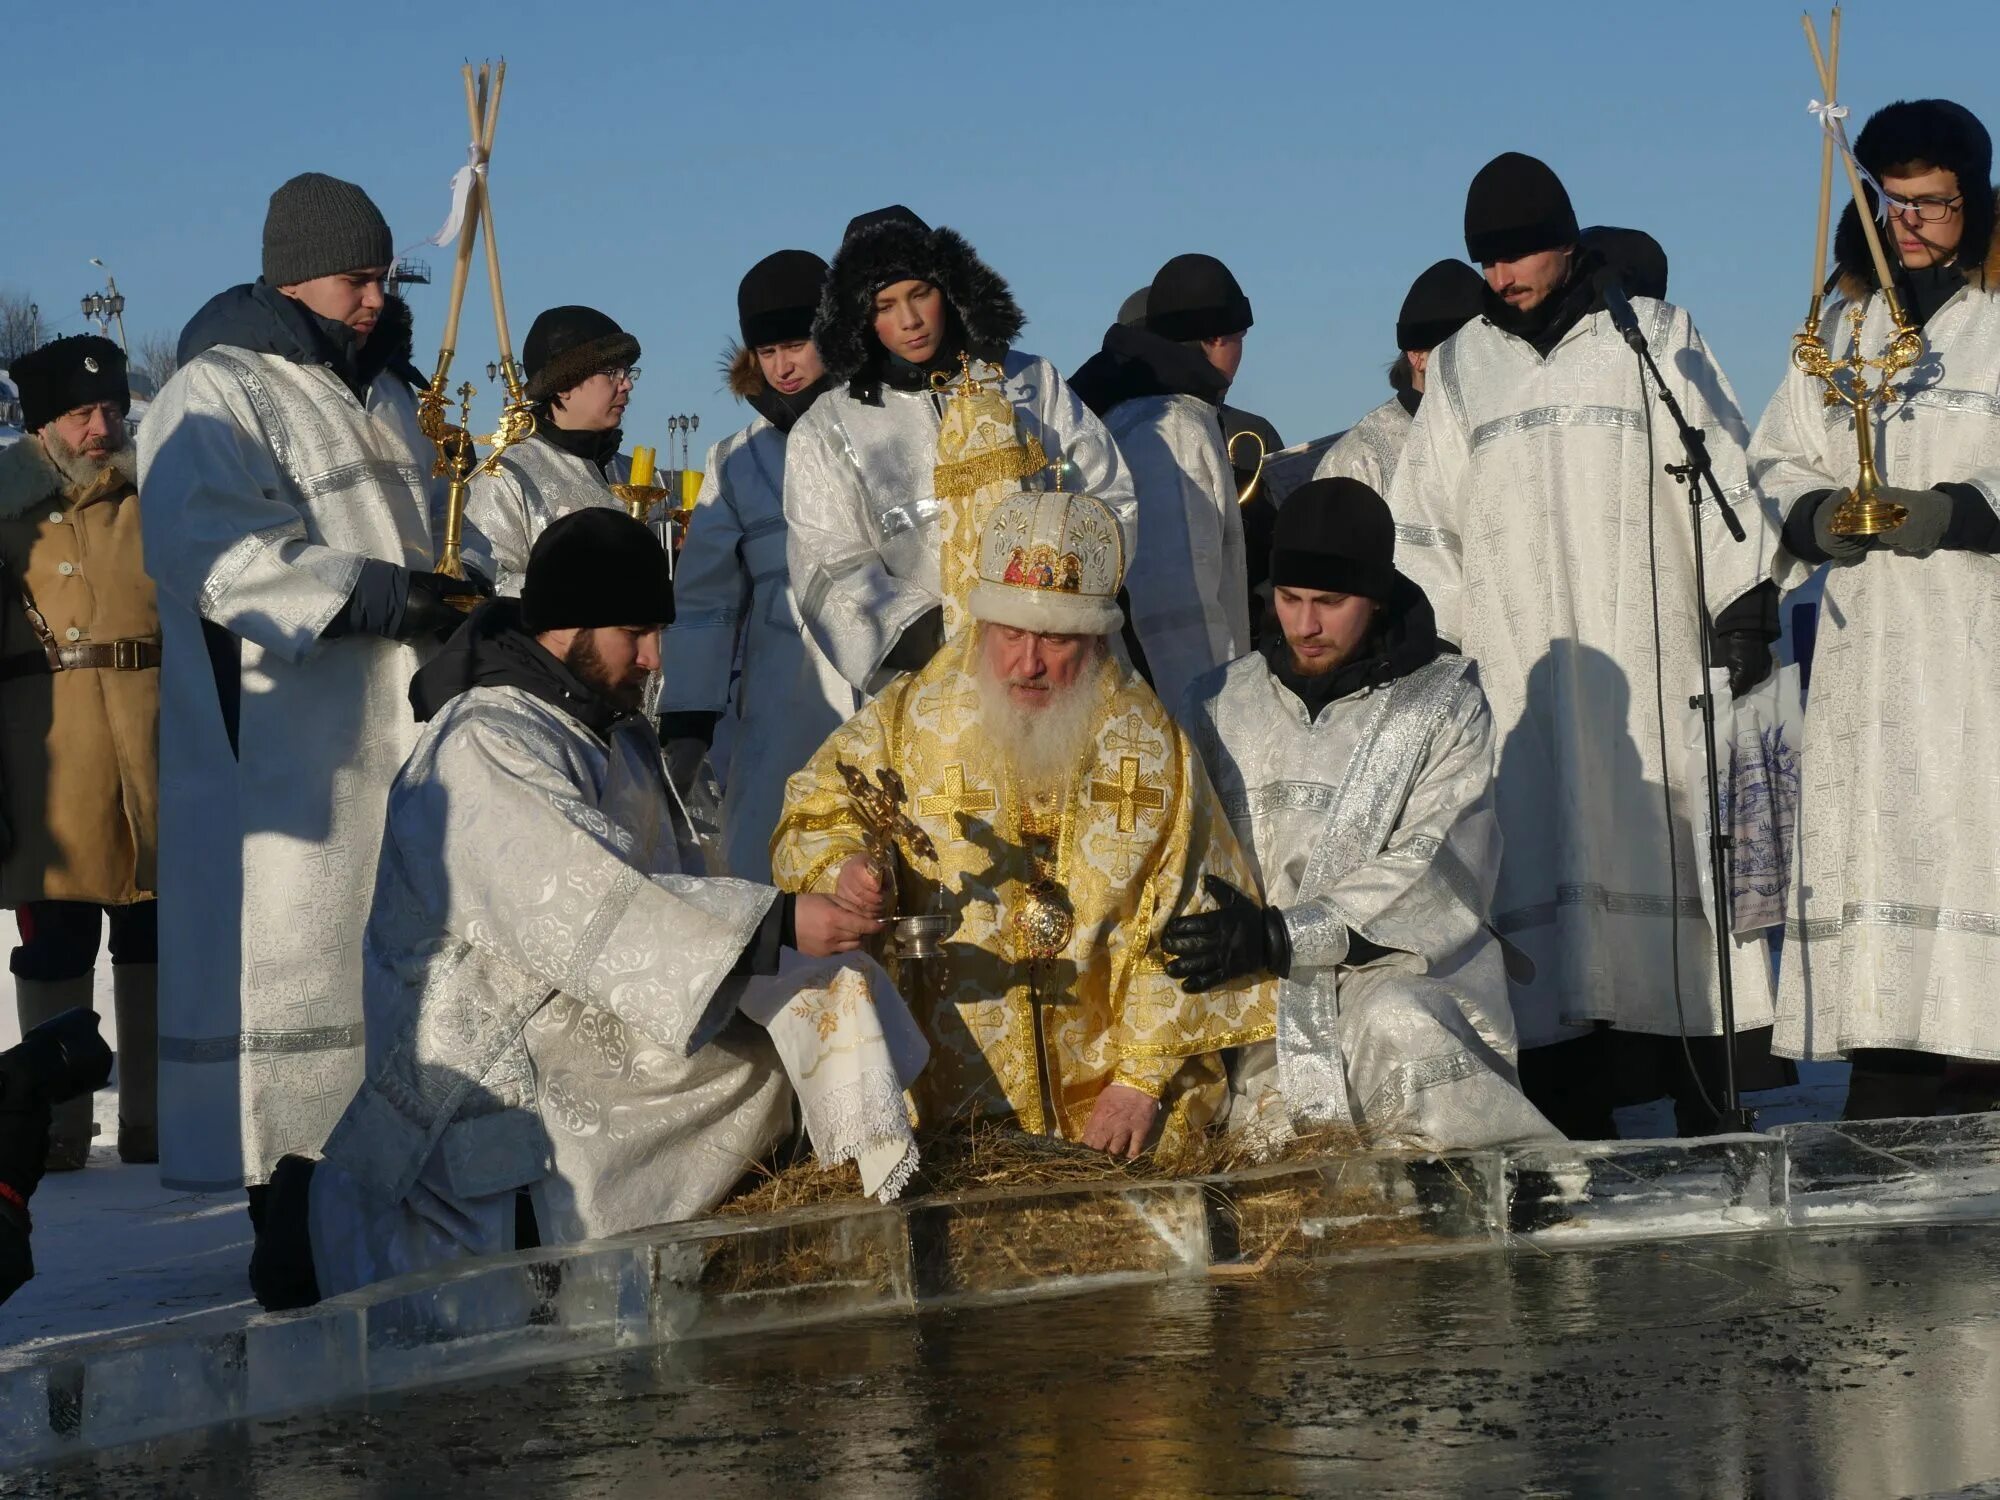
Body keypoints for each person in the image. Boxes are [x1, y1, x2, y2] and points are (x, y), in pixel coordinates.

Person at [264, 509, 884, 1307]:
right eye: (636, 633)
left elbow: (670, 878)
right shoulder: (486, 739)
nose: (655, 659)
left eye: (658, 632)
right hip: (488, 1053)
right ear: (568, 625)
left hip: (566, 1003)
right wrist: (775, 925)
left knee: (797, 1025)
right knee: (751, 1066)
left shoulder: (605, 729)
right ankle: (403, 1239)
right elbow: (578, 895)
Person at [1386, 152, 1782, 1138]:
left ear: (1564, 242)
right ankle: (1568, 1113)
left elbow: (1722, 468)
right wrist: (1437, 647)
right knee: (1538, 877)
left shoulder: (1648, 334)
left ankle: (1703, 1099)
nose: (1502, 276)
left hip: (1646, 652)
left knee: (1663, 857)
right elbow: (1422, 526)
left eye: (1519, 253)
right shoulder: (1464, 364)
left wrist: (1740, 604)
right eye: (1486, 259)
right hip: (1516, 666)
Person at [138, 172, 479, 1202]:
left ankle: (388, 1198)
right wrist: (379, 595)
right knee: (297, 973)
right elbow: (208, 549)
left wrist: (463, 590)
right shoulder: (216, 391)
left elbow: (431, 533)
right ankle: (286, 1212)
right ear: (293, 279)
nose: (376, 299)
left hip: (395, 732)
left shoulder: (385, 396)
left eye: (383, 279)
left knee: (392, 966)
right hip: (289, 751)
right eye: (355, 280)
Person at [772, 489, 1275, 1160]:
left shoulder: (1151, 750)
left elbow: (1194, 919)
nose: (1027, 664)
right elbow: (819, 808)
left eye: (1056, 639)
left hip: (1110, 1110)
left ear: (1096, 639)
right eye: (1010, 634)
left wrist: (1141, 1080)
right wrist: (847, 870)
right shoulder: (914, 718)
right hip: (941, 1103)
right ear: (983, 625)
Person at [1166, 479, 1560, 1150]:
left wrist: (1287, 934)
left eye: (1329, 602)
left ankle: (1470, 1181)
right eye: (1288, 598)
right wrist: (1229, 935)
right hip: (1247, 975)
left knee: (1399, 1022)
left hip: (1385, 969)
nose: (1305, 625)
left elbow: (1439, 858)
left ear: (1375, 597)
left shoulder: (1443, 702)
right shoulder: (1217, 701)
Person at [1750, 99, 2000, 1118]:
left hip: (1976, 643)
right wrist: (1813, 518)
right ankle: (1886, 1090)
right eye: (1892, 203)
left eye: (1931, 203)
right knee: (1881, 867)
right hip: (1869, 653)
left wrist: (1957, 511)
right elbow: (1774, 457)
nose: (1909, 224)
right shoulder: (1844, 325)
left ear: (1975, 198)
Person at [784, 206, 1134, 698]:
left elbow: (1106, 496)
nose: (910, 320)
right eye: (885, 306)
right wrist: (936, 638)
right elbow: (829, 560)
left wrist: (1050, 613)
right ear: (859, 315)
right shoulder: (827, 428)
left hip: (1060, 662)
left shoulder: (1030, 383)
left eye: (920, 294)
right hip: (932, 679)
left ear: (949, 289)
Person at [0, 336, 159, 1167]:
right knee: (57, 939)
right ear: (41, 424)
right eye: (79, 413)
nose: (101, 428)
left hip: (153, 749)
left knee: (155, 930)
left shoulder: (154, 501)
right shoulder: (6, 512)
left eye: (111, 410)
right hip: (46, 760)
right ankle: (55, 1128)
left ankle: (156, 1119)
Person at [660, 251, 854, 881]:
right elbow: (705, 601)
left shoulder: (880, 430)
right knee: (780, 859)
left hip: (888, 680)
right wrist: (689, 715)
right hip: (784, 695)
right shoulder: (737, 461)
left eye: (796, 345)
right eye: (767, 351)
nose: (782, 367)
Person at [1070, 253, 1252, 709]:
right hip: (1184, 697)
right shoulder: (1173, 430)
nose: (1241, 354)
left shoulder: (1139, 408)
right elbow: (1177, 607)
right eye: (1239, 338)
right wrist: (1208, 720)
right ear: (1215, 338)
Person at [462, 305, 639, 596]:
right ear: (564, 384)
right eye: (612, 372)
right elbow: (487, 581)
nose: (627, 384)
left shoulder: (634, 473)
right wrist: (577, 590)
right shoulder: (504, 476)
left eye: (628, 371)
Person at [1314, 259, 1486, 493]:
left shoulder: (1503, 431)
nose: (1480, 362)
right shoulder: (1360, 459)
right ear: (1417, 356)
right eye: (1462, 348)